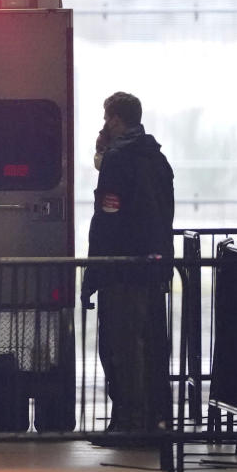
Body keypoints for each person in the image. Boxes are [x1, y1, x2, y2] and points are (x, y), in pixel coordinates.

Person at [81, 92, 174, 434]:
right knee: (149, 345)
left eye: (108, 118)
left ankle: (128, 420)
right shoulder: (157, 158)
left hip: (120, 268)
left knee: (120, 346)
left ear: (117, 120)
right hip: (152, 266)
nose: (105, 124)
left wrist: (95, 270)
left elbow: (109, 217)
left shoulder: (119, 159)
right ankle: (153, 418)